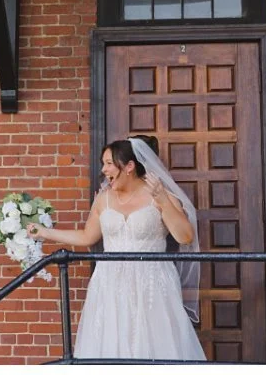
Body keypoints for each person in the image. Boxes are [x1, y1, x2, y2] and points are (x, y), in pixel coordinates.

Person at [28, 135, 204, 360]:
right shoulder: (104, 199)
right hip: (110, 281)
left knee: (154, 345)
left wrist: (162, 200)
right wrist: (44, 232)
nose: (104, 169)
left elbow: (185, 237)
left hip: (152, 282)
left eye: (109, 163)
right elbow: (86, 236)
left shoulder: (160, 196)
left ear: (129, 166)